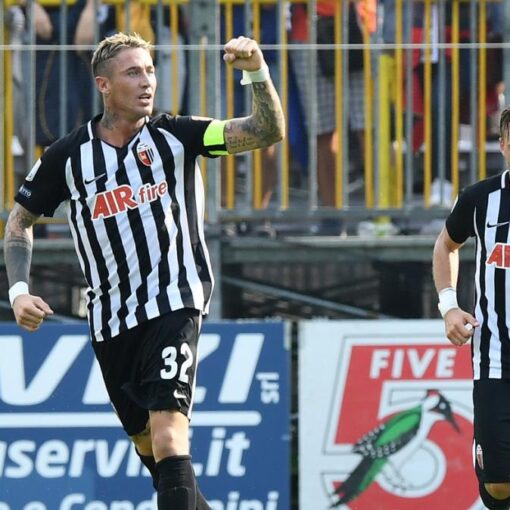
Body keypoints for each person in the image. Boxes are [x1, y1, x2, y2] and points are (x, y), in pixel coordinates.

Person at [4, 32, 284, 509]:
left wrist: (256, 70)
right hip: (110, 321)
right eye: (133, 73)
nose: (147, 81)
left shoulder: (177, 135)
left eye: (150, 71)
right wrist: (18, 291)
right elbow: (19, 222)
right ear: (104, 85)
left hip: (175, 301)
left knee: (170, 436)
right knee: (155, 453)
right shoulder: (67, 156)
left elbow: (265, 131)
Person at [432, 106, 510, 510]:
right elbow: (446, 245)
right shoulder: (480, 199)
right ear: (503, 145)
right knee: (498, 484)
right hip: (496, 356)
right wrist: (449, 306)